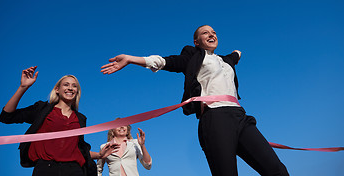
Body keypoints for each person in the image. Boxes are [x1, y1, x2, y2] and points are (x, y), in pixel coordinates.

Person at [101, 25, 289, 176]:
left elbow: (234, 56)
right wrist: (132, 59)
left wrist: (237, 53)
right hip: (215, 118)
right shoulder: (193, 57)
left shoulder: (225, 60)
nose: (211, 34)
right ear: (196, 41)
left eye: (214, 32)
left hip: (240, 117)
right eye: (205, 33)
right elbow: (168, 62)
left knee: (277, 170)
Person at [0, 66, 118, 176]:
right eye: (66, 85)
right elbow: (6, 116)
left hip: (75, 170)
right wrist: (23, 87)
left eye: (74, 86)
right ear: (57, 89)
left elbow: (78, 149)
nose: (70, 88)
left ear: (77, 92)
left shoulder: (80, 118)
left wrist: (100, 155)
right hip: (46, 168)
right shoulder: (42, 109)